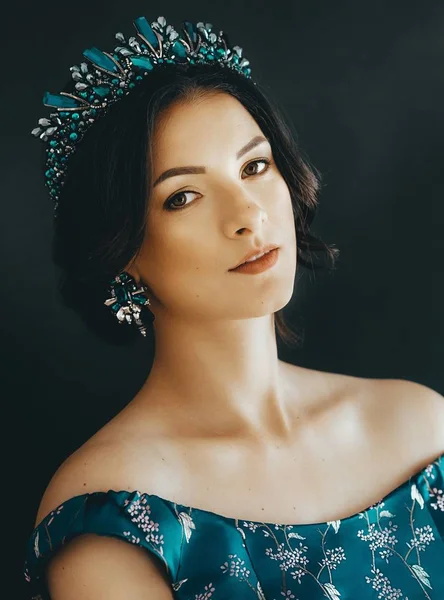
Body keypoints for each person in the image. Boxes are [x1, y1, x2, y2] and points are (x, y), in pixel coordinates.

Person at [24, 14, 444, 600]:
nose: (247, 212)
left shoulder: (421, 429)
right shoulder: (111, 516)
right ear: (123, 251)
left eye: (254, 166)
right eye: (184, 196)